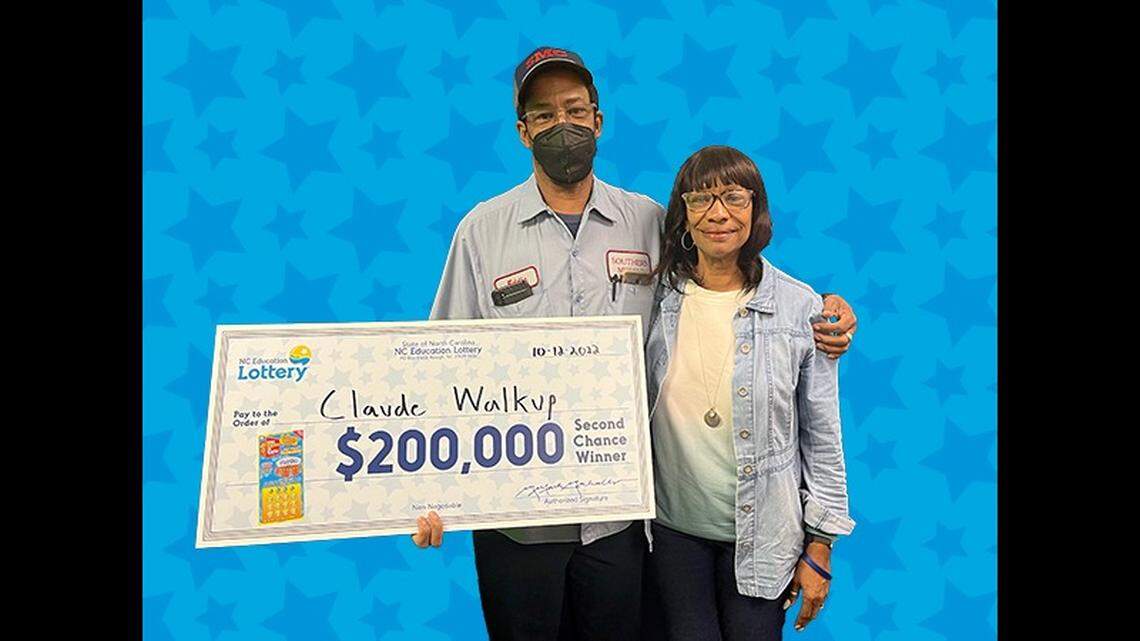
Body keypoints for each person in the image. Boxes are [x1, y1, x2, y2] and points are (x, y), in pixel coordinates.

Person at [414, 47, 858, 641]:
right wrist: (421, 489)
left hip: (621, 525)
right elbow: (435, 364)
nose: (562, 126)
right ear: (522, 132)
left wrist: (823, 309)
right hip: (516, 523)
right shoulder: (480, 231)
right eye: (544, 116)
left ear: (599, 120)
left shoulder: (648, 221)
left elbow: (731, 277)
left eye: (575, 110)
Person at [643, 145, 856, 641]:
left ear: (756, 209)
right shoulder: (651, 299)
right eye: (701, 200)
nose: (718, 214)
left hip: (766, 540)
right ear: (683, 213)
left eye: (734, 198)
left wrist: (821, 546)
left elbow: (823, 438)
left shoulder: (802, 309)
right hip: (672, 537)